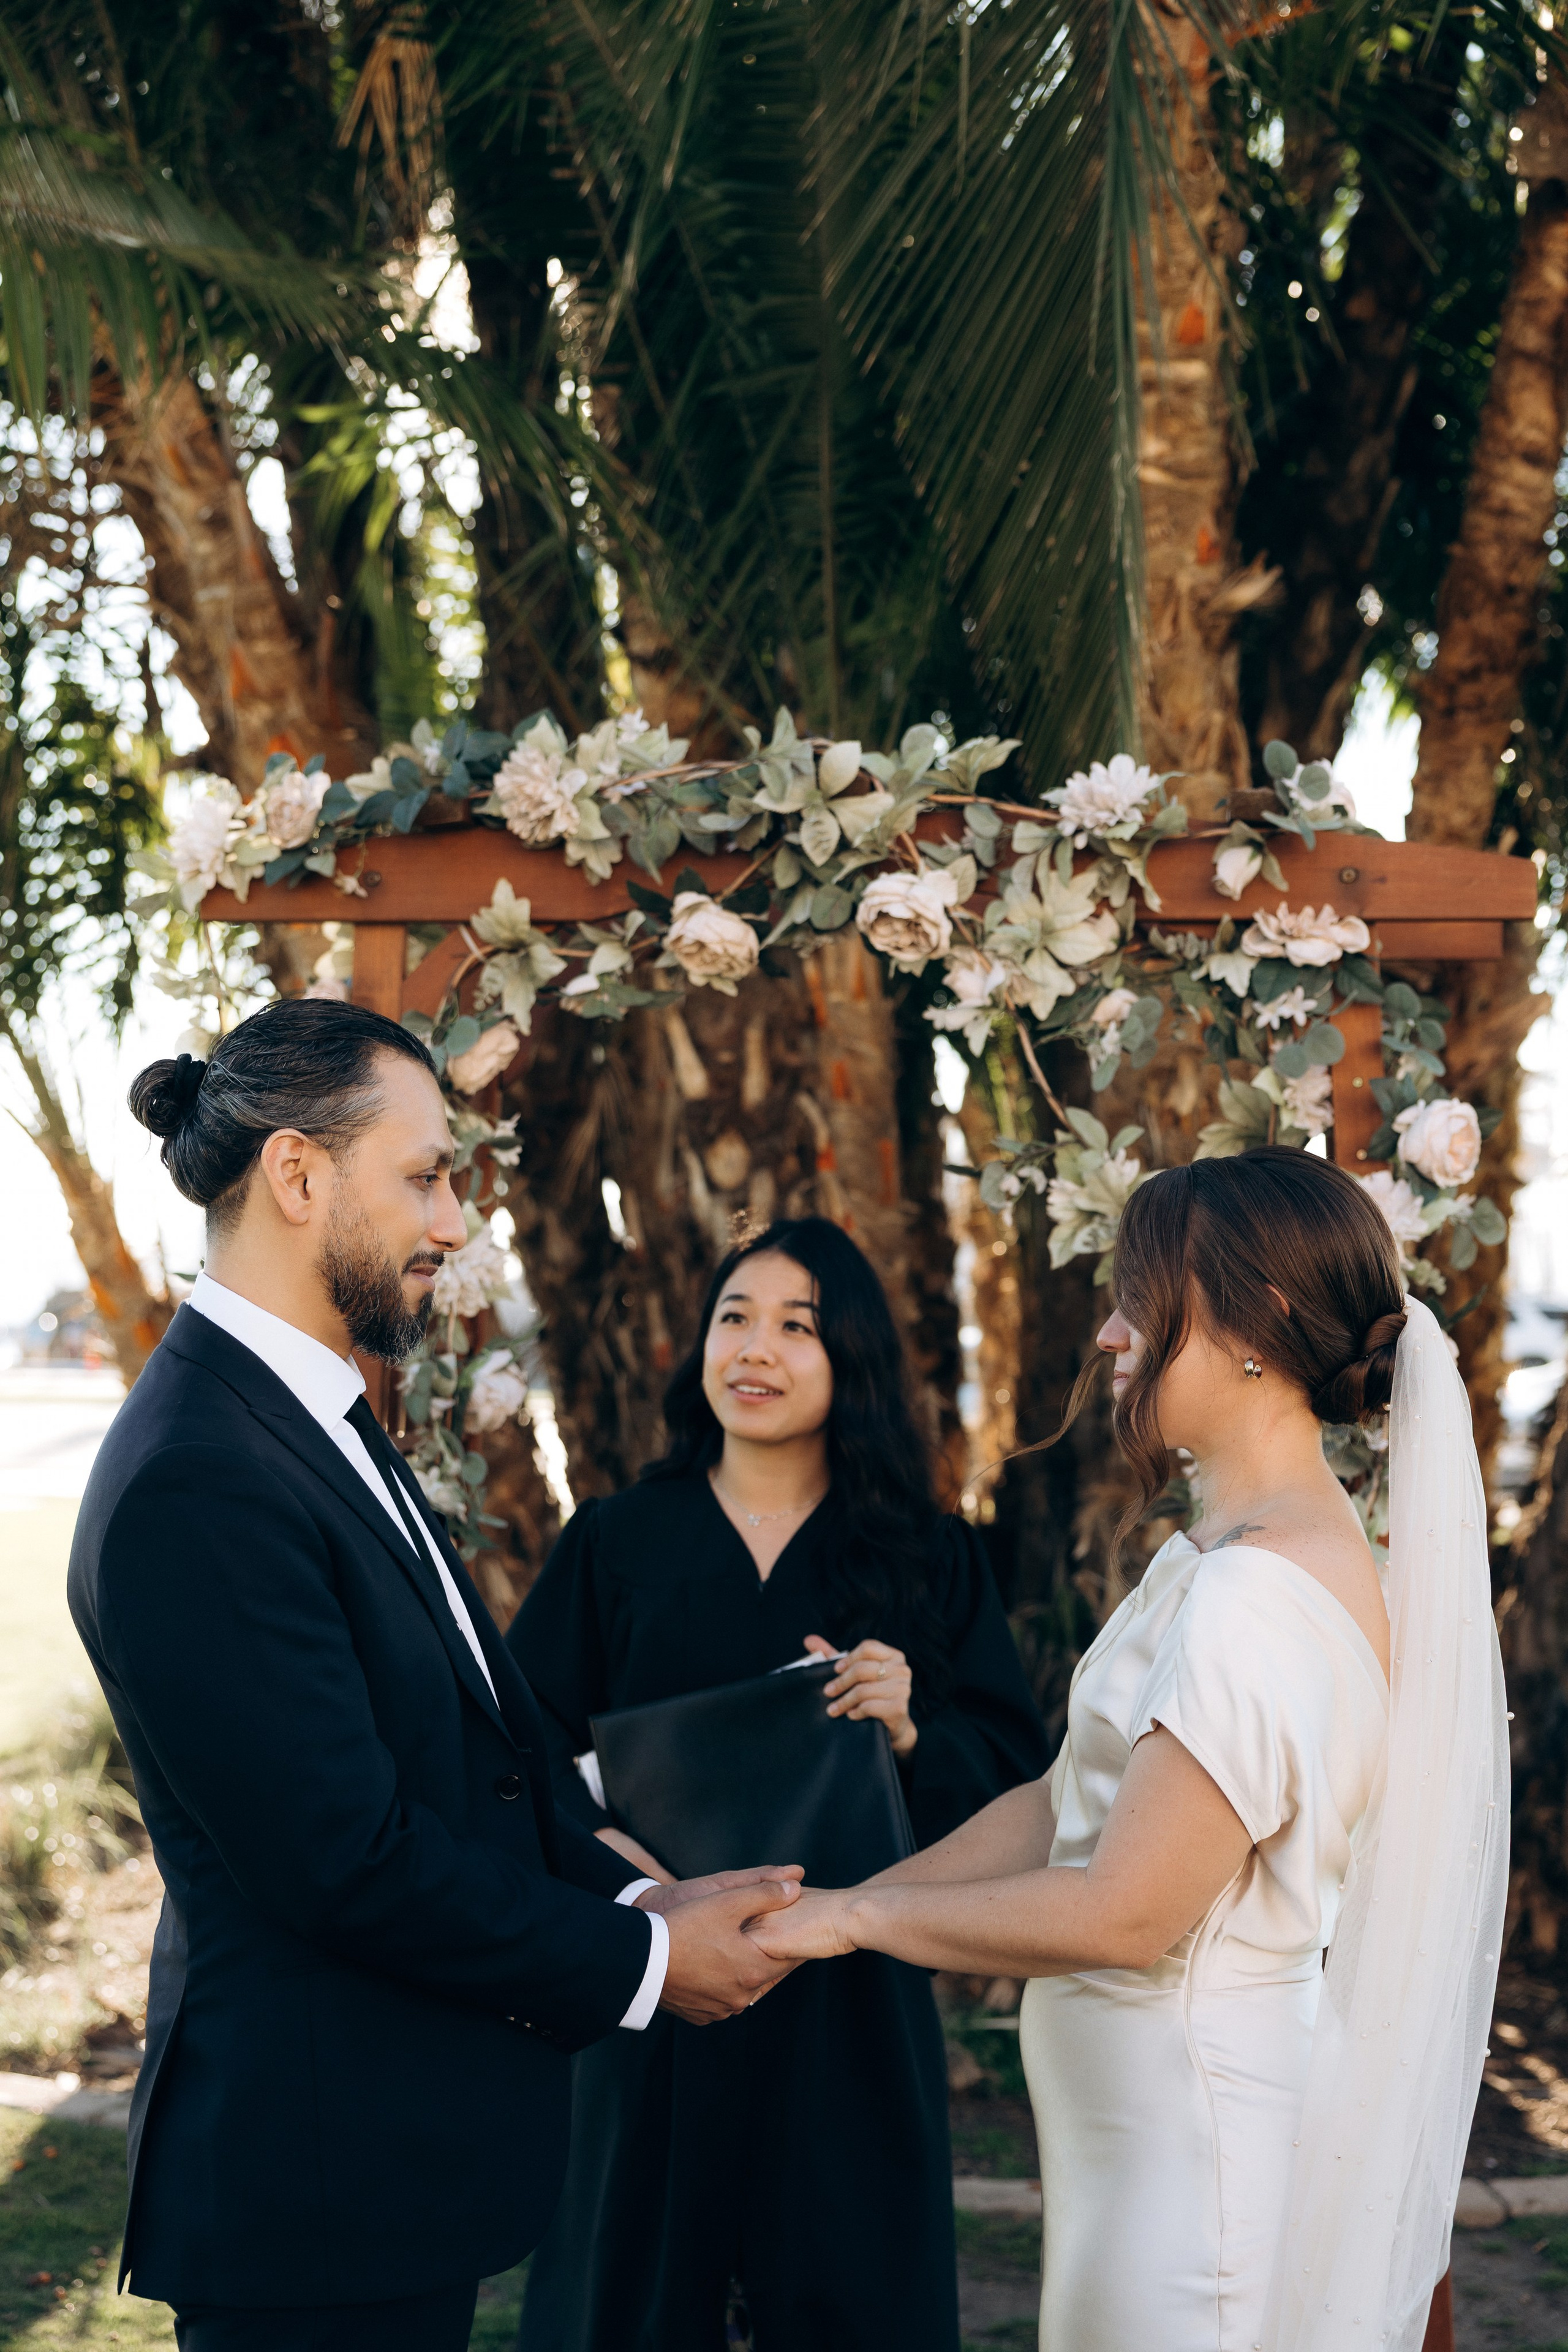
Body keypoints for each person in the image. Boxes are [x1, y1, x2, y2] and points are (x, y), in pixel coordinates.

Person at [69, 1000, 804, 2352]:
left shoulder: (307, 1416)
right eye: (423, 1176)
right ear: (297, 1175)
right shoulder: (197, 1478)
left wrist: (640, 1885)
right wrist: (643, 1960)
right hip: (310, 2199)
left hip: (385, 2175)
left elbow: (487, 1746)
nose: (455, 1223)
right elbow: (341, 1856)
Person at [748, 1148, 1509, 2352]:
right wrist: (831, 1904)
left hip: (1193, 2177)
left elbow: (1122, 1912)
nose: (1108, 1335)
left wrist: (852, 1926)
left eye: (1138, 1303)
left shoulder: (1258, 1592)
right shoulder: (1221, 1555)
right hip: (1141, 2160)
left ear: (1253, 1327)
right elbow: (1062, 1799)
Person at [507, 1215, 1049, 2352]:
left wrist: (908, 1728)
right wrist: (633, 1883)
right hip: (646, 1985)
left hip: (847, 2011)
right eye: (733, 1319)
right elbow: (521, 1760)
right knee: (632, 2301)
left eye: (795, 1327)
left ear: (849, 1358)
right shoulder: (615, 1544)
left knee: (852, 2297)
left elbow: (1011, 1780)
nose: (754, 1350)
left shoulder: (922, 1556)